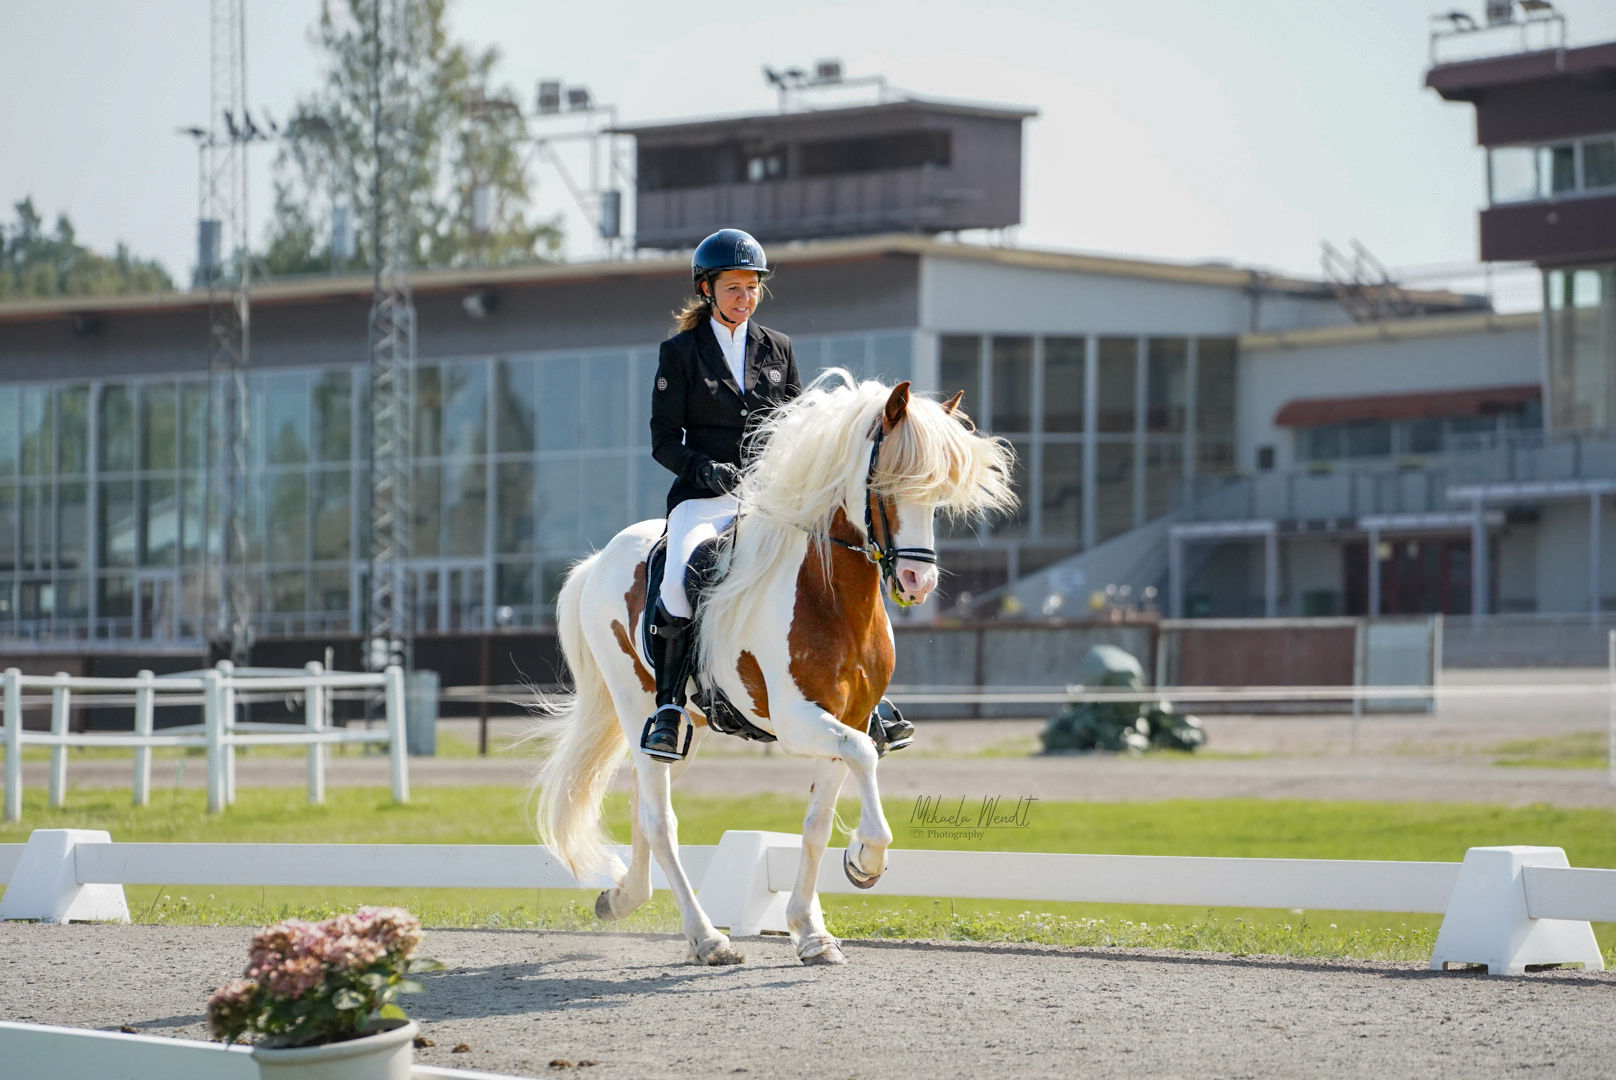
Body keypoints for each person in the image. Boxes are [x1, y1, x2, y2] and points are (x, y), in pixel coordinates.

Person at [641, 228, 914, 760]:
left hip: (771, 501)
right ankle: (669, 707)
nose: (744, 298)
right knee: (677, 584)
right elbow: (662, 441)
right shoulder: (680, 353)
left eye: (752, 287)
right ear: (706, 289)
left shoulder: (778, 348)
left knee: (832, 566)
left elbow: (797, 426)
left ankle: (868, 698)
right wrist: (706, 470)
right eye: (733, 288)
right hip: (705, 499)